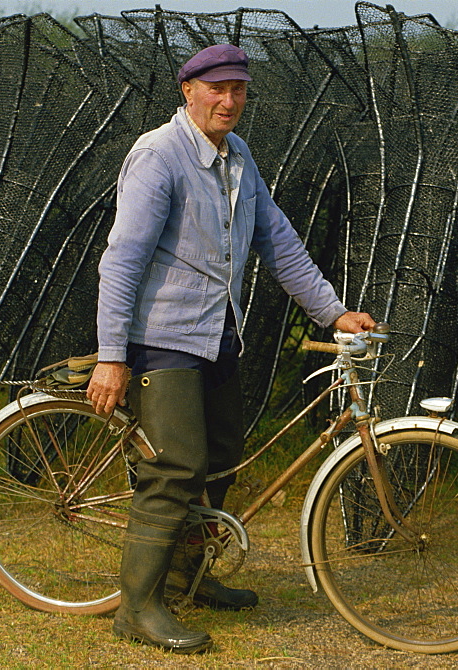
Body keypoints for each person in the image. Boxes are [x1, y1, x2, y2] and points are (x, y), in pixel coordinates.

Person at [86, 43, 375, 654]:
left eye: (238, 89)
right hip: (160, 338)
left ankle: (191, 576)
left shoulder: (237, 156)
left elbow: (280, 243)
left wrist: (333, 312)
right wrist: (112, 354)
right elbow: (123, 261)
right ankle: (136, 610)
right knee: (176, 468)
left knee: (220, 458)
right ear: (187, 90)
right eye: (216, 88)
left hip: (219, 333)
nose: (229, 100)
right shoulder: (158, 156)